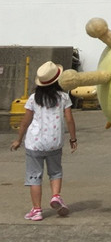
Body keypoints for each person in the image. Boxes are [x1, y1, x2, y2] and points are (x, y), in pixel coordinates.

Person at [10, 61, 77, 221]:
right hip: (54, 143)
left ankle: (37, 210)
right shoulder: (63, 97)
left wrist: (18, 139)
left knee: (34, 177)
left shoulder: (33, 98)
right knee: (55, 172)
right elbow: (69, 119)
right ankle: (55, 196)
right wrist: (73, 138)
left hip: (35, 144)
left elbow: (25, 121)